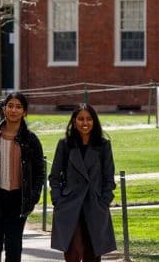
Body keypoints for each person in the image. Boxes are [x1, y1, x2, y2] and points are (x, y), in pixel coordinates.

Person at [0, 92, 46, 262]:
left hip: (18, 200)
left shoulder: (31, 140)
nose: (14, 110)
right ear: (4, 109)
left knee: (14, 248)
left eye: (18, 107)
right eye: (10, 106)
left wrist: (34, 195)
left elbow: (39, 171)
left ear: (25, 112)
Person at [48, 104, 117, 262]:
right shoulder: (64, 145)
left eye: (89, 119)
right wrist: (57, 200)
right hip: (69, 205)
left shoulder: (103, 146)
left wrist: (105, 200)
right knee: (72, 252)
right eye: (80, 119)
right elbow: (54, 176)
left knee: (93, 253)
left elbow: (108, 177)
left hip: (95, 205)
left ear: (94, 121)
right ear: (73, 121)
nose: (85, 123)